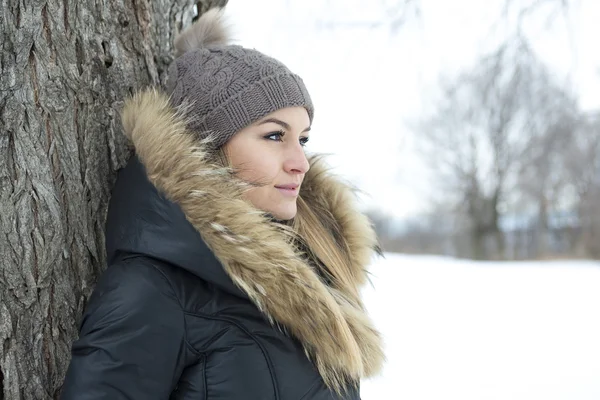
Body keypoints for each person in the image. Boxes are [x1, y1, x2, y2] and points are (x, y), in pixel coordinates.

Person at [61, 8, 384, 400]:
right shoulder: (153, 291)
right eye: (273, 136)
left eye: (303, 139)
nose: (300, 163)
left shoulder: (312, 274)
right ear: (208, 148)